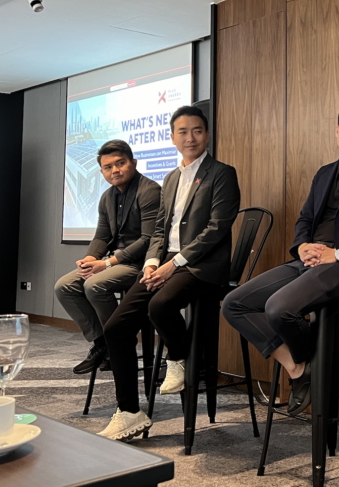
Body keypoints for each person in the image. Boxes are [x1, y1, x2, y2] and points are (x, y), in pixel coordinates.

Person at [222, 99, 339, 415]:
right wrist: (302, 246)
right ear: (336, 130)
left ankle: (309, 367)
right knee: (234, 303)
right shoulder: (324, 173)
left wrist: (338, 253)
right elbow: (304, 219)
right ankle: (299, 368)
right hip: (308, 261)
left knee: (279, 308)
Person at [97, 105, 240, 441]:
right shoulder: (171, 177)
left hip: (202, 265)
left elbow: (217, 228)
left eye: (197, 131)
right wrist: (151, 263)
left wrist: (173, 264)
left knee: (159, 305)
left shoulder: (222, 173)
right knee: (116, 328)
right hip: (165, 262)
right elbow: (160, 228)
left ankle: (180, 358)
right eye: (183, 132)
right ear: (172, 137)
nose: (190, 138)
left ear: (207, 134)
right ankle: (129, 412)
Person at [54, 140, 161, 375]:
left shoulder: (149, 191)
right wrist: (89, 261)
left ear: (133, 163)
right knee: (64, 286)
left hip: (141, 263)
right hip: (113, 262)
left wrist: (106, 263)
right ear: (101, 171)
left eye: (120, 164)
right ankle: (103, 342)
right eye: (108, 167)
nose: (115, 170)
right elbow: (101, 236)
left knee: (95, 285)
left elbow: (149, 239)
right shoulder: (106, 197)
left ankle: (119, 341)